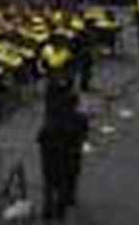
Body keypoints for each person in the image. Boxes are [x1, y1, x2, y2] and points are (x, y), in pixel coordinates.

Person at [37, 91, 88, 220]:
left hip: (49, 159)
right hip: (69, 156)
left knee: (49, 186)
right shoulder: (81, 118)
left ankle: (47, 211)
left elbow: (40, 139)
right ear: (76, 104)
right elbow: (83, 136)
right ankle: (63, 209)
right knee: (67, 182)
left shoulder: (52, 119)